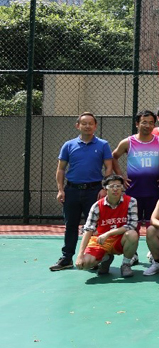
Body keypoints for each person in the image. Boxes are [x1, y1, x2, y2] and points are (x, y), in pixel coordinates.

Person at [51, 112, 114, 271]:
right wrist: (60, 190)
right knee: (71, 225)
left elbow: (109, 167)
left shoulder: (103, 145)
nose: (87, 126)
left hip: (94, 191)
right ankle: (67, 258)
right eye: (84, 123)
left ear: (95, 126)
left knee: (94, 226)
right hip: (71, 191)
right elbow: (61, 169)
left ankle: (94, 258)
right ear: (77, 126)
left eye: (90, 123)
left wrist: (104, 188)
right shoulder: (68, 145)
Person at [112, 109, 159, 242]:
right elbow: (113, 157)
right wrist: (120, 176)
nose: (148, 125)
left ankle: (154, 251)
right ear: (137, 124)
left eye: (151, 123)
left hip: (154, 190)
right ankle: (132, 251)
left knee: (153, 226)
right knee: (132, 225)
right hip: (134, 190)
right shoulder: (128, 142)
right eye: (144, 122)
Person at [73, 174, 139, 277]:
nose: (115, 189)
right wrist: (80, 255)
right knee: (83, 265)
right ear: (105, 188)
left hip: (119, 240)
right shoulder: (97, 206)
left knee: (132, 234)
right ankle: (106, 258)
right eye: (111, 186)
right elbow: (88, 230)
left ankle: (126, 264)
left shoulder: (131, 201)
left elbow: (132, 225)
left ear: (122, 187)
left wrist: (108, 233)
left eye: (118, 186)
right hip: (101, 241)